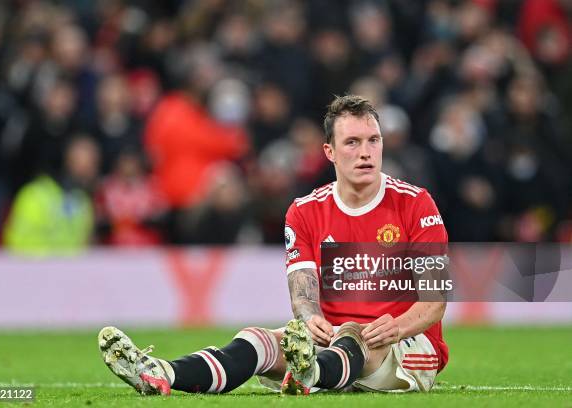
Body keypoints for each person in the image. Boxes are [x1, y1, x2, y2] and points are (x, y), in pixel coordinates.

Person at [98, 95, 448, 395]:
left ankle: (311, 374)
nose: (366, 152)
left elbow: (434, 302)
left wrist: (397, 327)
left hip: (407, 347)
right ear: (329, 151)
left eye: (374, 140)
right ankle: (161, 373)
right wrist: (311, 320)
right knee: (258, 340)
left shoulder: (416, 204)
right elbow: (303, 296)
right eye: (352, 143)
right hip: (331, 344)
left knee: (357, 336)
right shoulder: (305, 211)